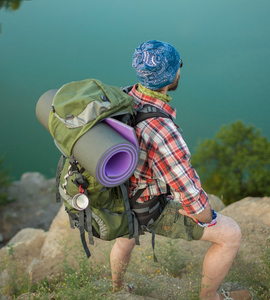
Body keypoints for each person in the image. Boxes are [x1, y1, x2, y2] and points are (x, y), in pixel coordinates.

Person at [109, 40, 251, 300]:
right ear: (172, 75)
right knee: (230, 234)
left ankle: (117, 289)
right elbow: (190, 196)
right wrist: (207, 217)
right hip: (145, 206)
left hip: (118, 194)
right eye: (179, 66)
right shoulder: (163, 131)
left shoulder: (122, 97)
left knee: (124, 238)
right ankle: (210, 297)